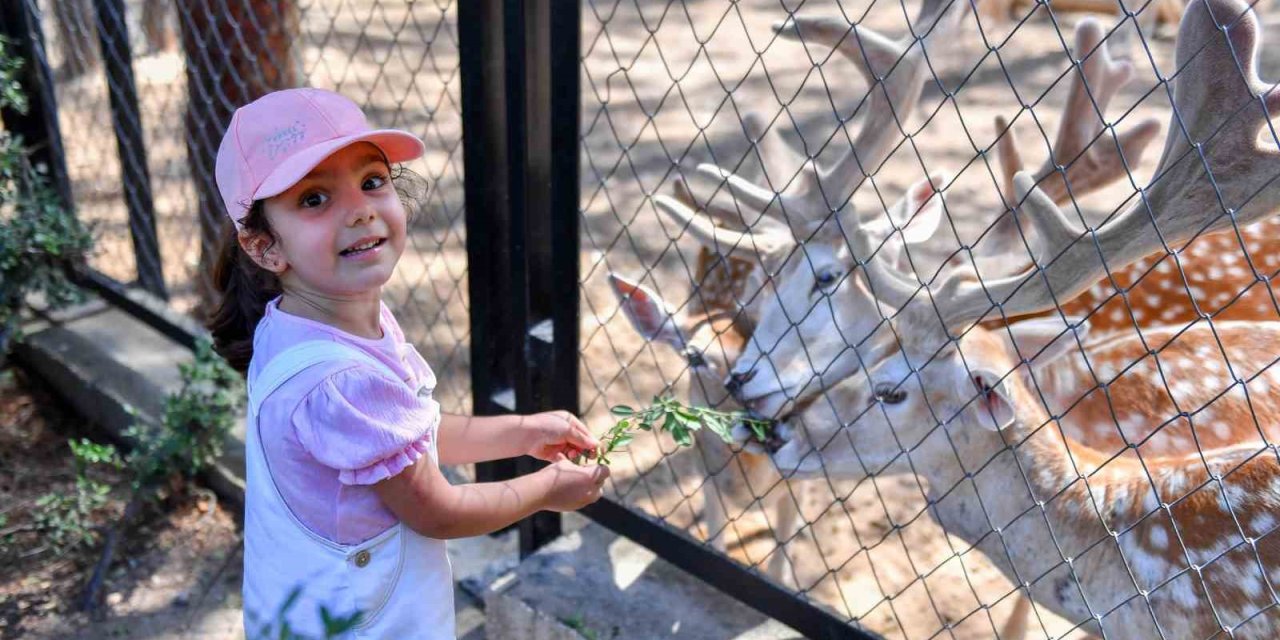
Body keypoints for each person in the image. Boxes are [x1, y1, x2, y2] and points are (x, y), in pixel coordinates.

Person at [206, 88, 609, 638]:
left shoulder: (295, 325)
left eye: (372, 181)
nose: (361, 209)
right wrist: (546, 490)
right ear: (263, 247)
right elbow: (437, 510)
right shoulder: (340, 380)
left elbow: (404, 439)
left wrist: (522, 432)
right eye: (315, 199)